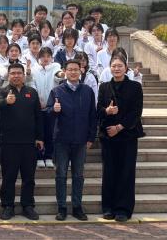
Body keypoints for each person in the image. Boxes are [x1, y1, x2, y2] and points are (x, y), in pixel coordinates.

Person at [48, 59, 98, 221]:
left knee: (78, 175)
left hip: (81, 140)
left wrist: (91, 137)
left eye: (76, 69)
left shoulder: (87, 91)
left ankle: (77, 207)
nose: (73, 72)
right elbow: (48, 114)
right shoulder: (57, 91)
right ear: (65, 71)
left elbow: (93, 115)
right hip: (62, 140)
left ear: (81, 71)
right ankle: (62, 207)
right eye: (70, 69)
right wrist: (53, 110)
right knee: (61, 174)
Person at [97, 54, 145, 222]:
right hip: (108, 136)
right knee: (109, 172)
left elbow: (136, 112)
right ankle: (108, 207)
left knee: (126, 172)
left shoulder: (135, 87)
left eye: (119, 66)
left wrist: (119, 127)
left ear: (126, 68)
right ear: (109, 67)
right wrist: (107, 111)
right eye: (114, 66)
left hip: (127, 136)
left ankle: (123, 209)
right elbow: (98, 110)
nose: (116, 69)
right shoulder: (104, 87)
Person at [0, 63, 43, 221]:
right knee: (9, 176)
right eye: (13, 73)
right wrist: (6, 102)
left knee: (29, 177)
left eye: (19, 73)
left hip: (29, 142)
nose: (16, 76)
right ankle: (8, 206)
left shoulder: (32, 92)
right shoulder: (3, 91)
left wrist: (40, 137)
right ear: (8, 75)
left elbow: (38, 116)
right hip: (9, 142)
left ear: (24, 75)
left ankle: (28, 205)